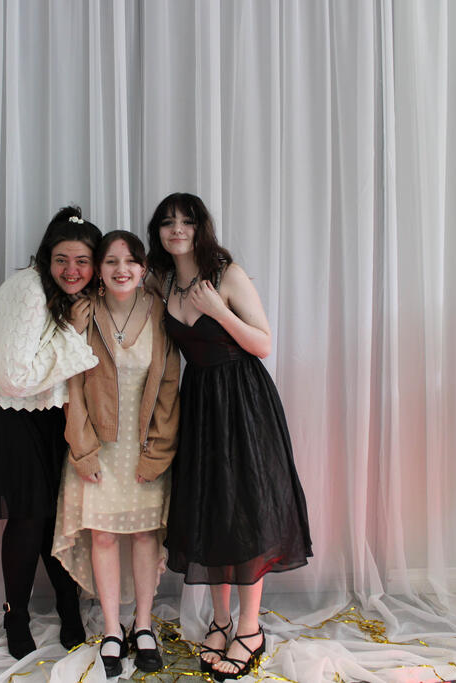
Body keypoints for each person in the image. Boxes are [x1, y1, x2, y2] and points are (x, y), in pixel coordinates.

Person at [146, 193, 312, 681]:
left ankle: (250, 629)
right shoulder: (161, 281)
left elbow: (263, 344)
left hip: (243, 401)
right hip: (198, 403)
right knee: (210, 510)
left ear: (202, 227)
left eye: (187, 221)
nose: (177, 229)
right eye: (168, 222)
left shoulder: (227, 275)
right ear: (158, 232)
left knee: (247, 511)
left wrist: (218, 310)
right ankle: (219, 622)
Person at [0, 206, 102, 660]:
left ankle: (68, 604)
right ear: (47, 257)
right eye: (62, 259)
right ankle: (16, 615)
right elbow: (16, 378)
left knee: (53, 514)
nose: (72, 270)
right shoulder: (27, 290)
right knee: (28, 516)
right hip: (8, 411)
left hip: (47, 411)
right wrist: (74, 332)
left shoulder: (76, 292)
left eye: (82, 261)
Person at [52, 231, 180, 677]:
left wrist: (158, 453)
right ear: (99, 271)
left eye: (130, 261)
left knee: (145, 536)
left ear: (143, 268)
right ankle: (111, 629)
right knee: (103, 537)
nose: (121, 269)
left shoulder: (161, 312)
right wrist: (82, 450)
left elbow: (169, 386)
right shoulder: (85, 314)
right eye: (111, 261)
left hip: (144, 448)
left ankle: (143, 625)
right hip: (97, 446)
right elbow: (72, 387)